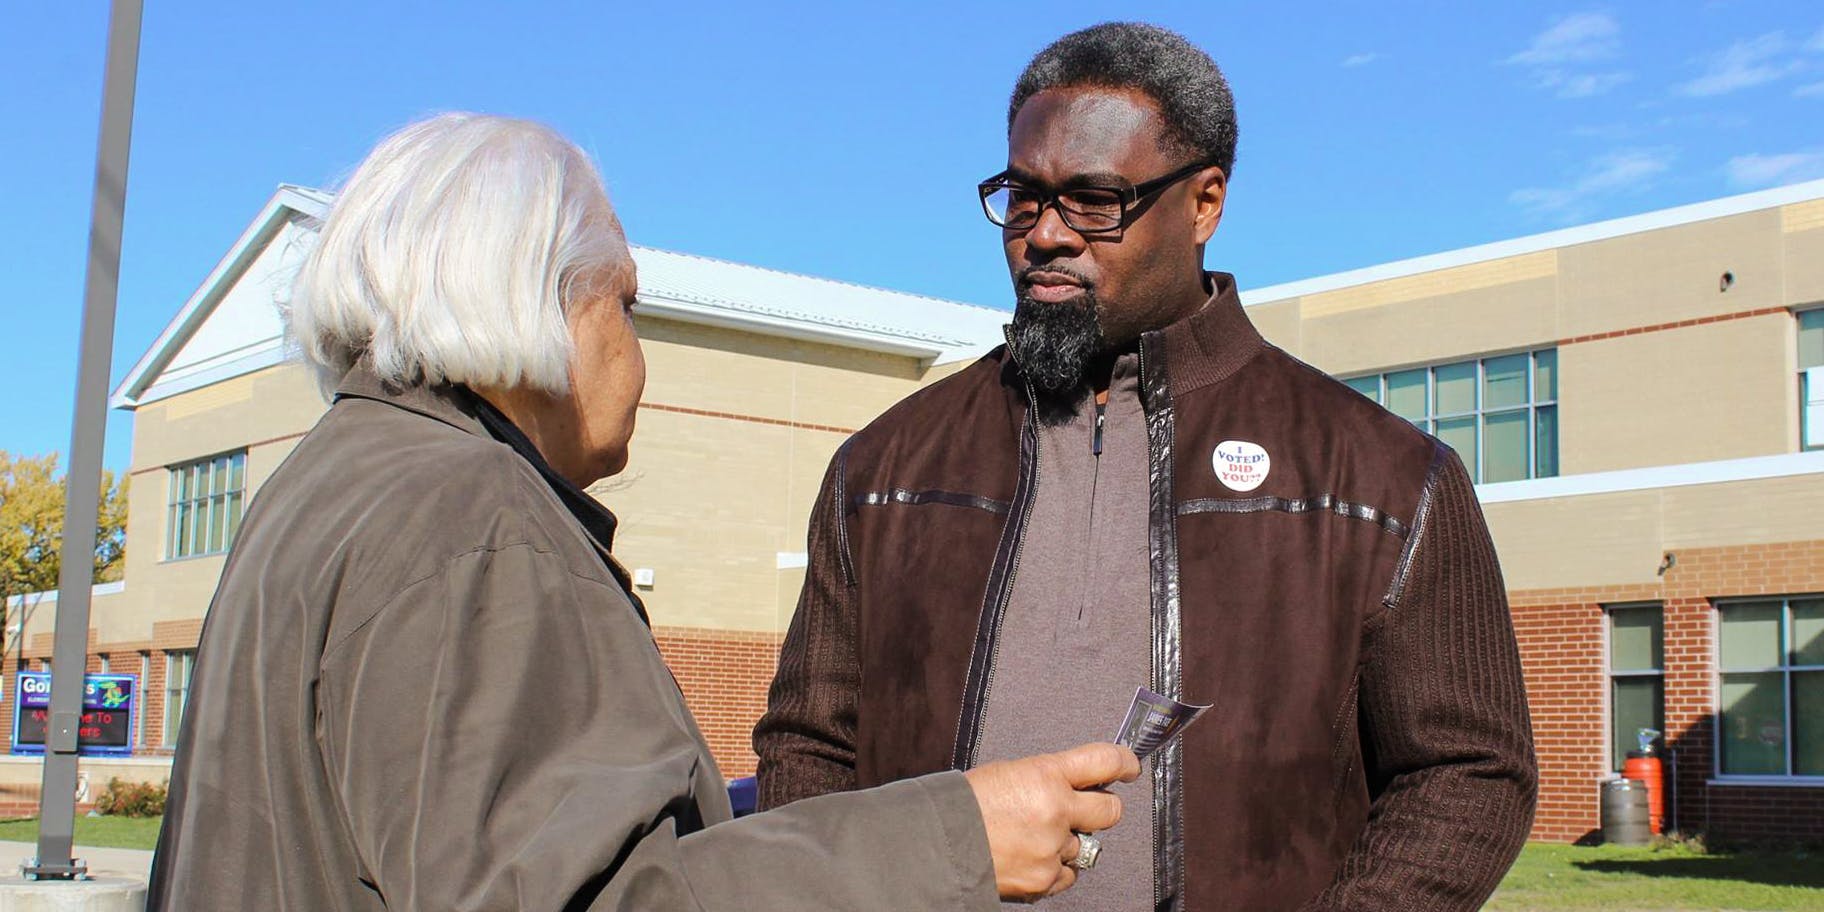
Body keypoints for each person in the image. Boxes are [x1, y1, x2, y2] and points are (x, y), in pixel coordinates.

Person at [146, 112, 1139, 911]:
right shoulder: (476, 514)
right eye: (625, 302)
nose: (636, 351)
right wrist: (955, 837)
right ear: (533, 299)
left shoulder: (328, 485)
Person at [755, 22, 1537, 912]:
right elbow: (808, 744)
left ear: (1204, 202)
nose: (1045, 235)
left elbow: (1470, 769)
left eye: (1094, 200)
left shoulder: (1388, 482)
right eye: (1022, 196)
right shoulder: (882, 469)